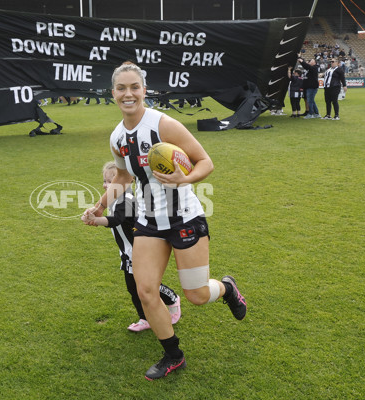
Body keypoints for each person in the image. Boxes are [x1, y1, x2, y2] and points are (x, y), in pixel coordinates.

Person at [83, 62, 247, 381]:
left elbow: (205, 162)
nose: (128, 94)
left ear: (144, 90)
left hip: (184, 216)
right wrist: (99, 206)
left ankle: (227, 288)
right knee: (146, 291)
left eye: (134, 87)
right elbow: (123, 175)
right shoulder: (118, 137)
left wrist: (183, 179)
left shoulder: (163, 124)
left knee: (197, 295)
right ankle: (173, 355)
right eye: (121, 88)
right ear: (113, 93)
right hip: (148, 221)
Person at [82, 162, 181, 332]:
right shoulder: (111, 199)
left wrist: (97, 220)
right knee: (133, 287)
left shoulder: (127, 200)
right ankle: (145, 318)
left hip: (139, 251)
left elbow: (117, 220)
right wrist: (92, 212)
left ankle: (172, 298)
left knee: (145, 285)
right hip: (127, 252)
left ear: (125, 181)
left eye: (111, 181)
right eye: (105, 181)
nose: (106, 185)